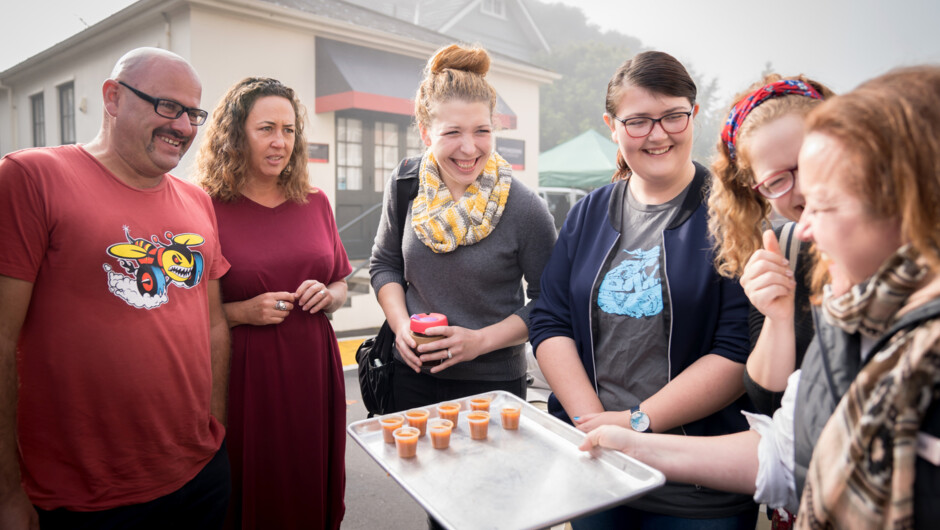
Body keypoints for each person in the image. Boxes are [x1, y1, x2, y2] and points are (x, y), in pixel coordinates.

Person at [580, 65, 940, 529]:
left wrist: (639, 425)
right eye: (777, 182)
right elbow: (786, 446)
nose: (803, 217)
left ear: (901, 187)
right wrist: (630, 441)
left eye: (826, 196)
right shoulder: (844, 304)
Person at [0, 48, 230, 529]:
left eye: (193, 113)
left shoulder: (197, 202)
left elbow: (212, 326)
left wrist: (216, 428)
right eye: (167, 106)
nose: (185, 127)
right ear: (112, 98)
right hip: (81, 498)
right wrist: (6, 493)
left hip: (198, 476)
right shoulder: (32, 178)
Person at [528, 50, 757, 528]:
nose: (657, 134)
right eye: (638, 122)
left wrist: (636, 422)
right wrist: (593, 423)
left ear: (693, 115)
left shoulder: (734, 215)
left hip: (697, 485)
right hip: (596, 472)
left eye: (673, 115)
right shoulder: (588, 213)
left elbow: (738, 349)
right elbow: (549, 318)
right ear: (612, 126)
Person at [197, 78, 350, 530]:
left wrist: (329, 297)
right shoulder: (203, 206)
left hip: (314, 370)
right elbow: (180, 312)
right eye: (266, 128)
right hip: (246, 375)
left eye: (288, 129)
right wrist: (242, 312)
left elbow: (339, 283)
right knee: (252, 485)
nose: (279, 141)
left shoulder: (316, 201)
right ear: (235, 133)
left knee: (309, 477)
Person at [369, 44, 556, 411]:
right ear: (426, 133)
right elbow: (384, 264)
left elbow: (550, 302)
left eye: (482, 131)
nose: (469, 148)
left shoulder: (525, 208)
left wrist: (480, 341)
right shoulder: (406, 183)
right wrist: (402, 325)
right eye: (452, 132)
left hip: (492, 386)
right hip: (410, 374)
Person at [707, 75, 834, 417]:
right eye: (777, 180)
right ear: (755, 190)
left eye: (810, 161)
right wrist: (778, 318)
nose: (805, 188)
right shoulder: (785, 252)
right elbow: (771, 405)